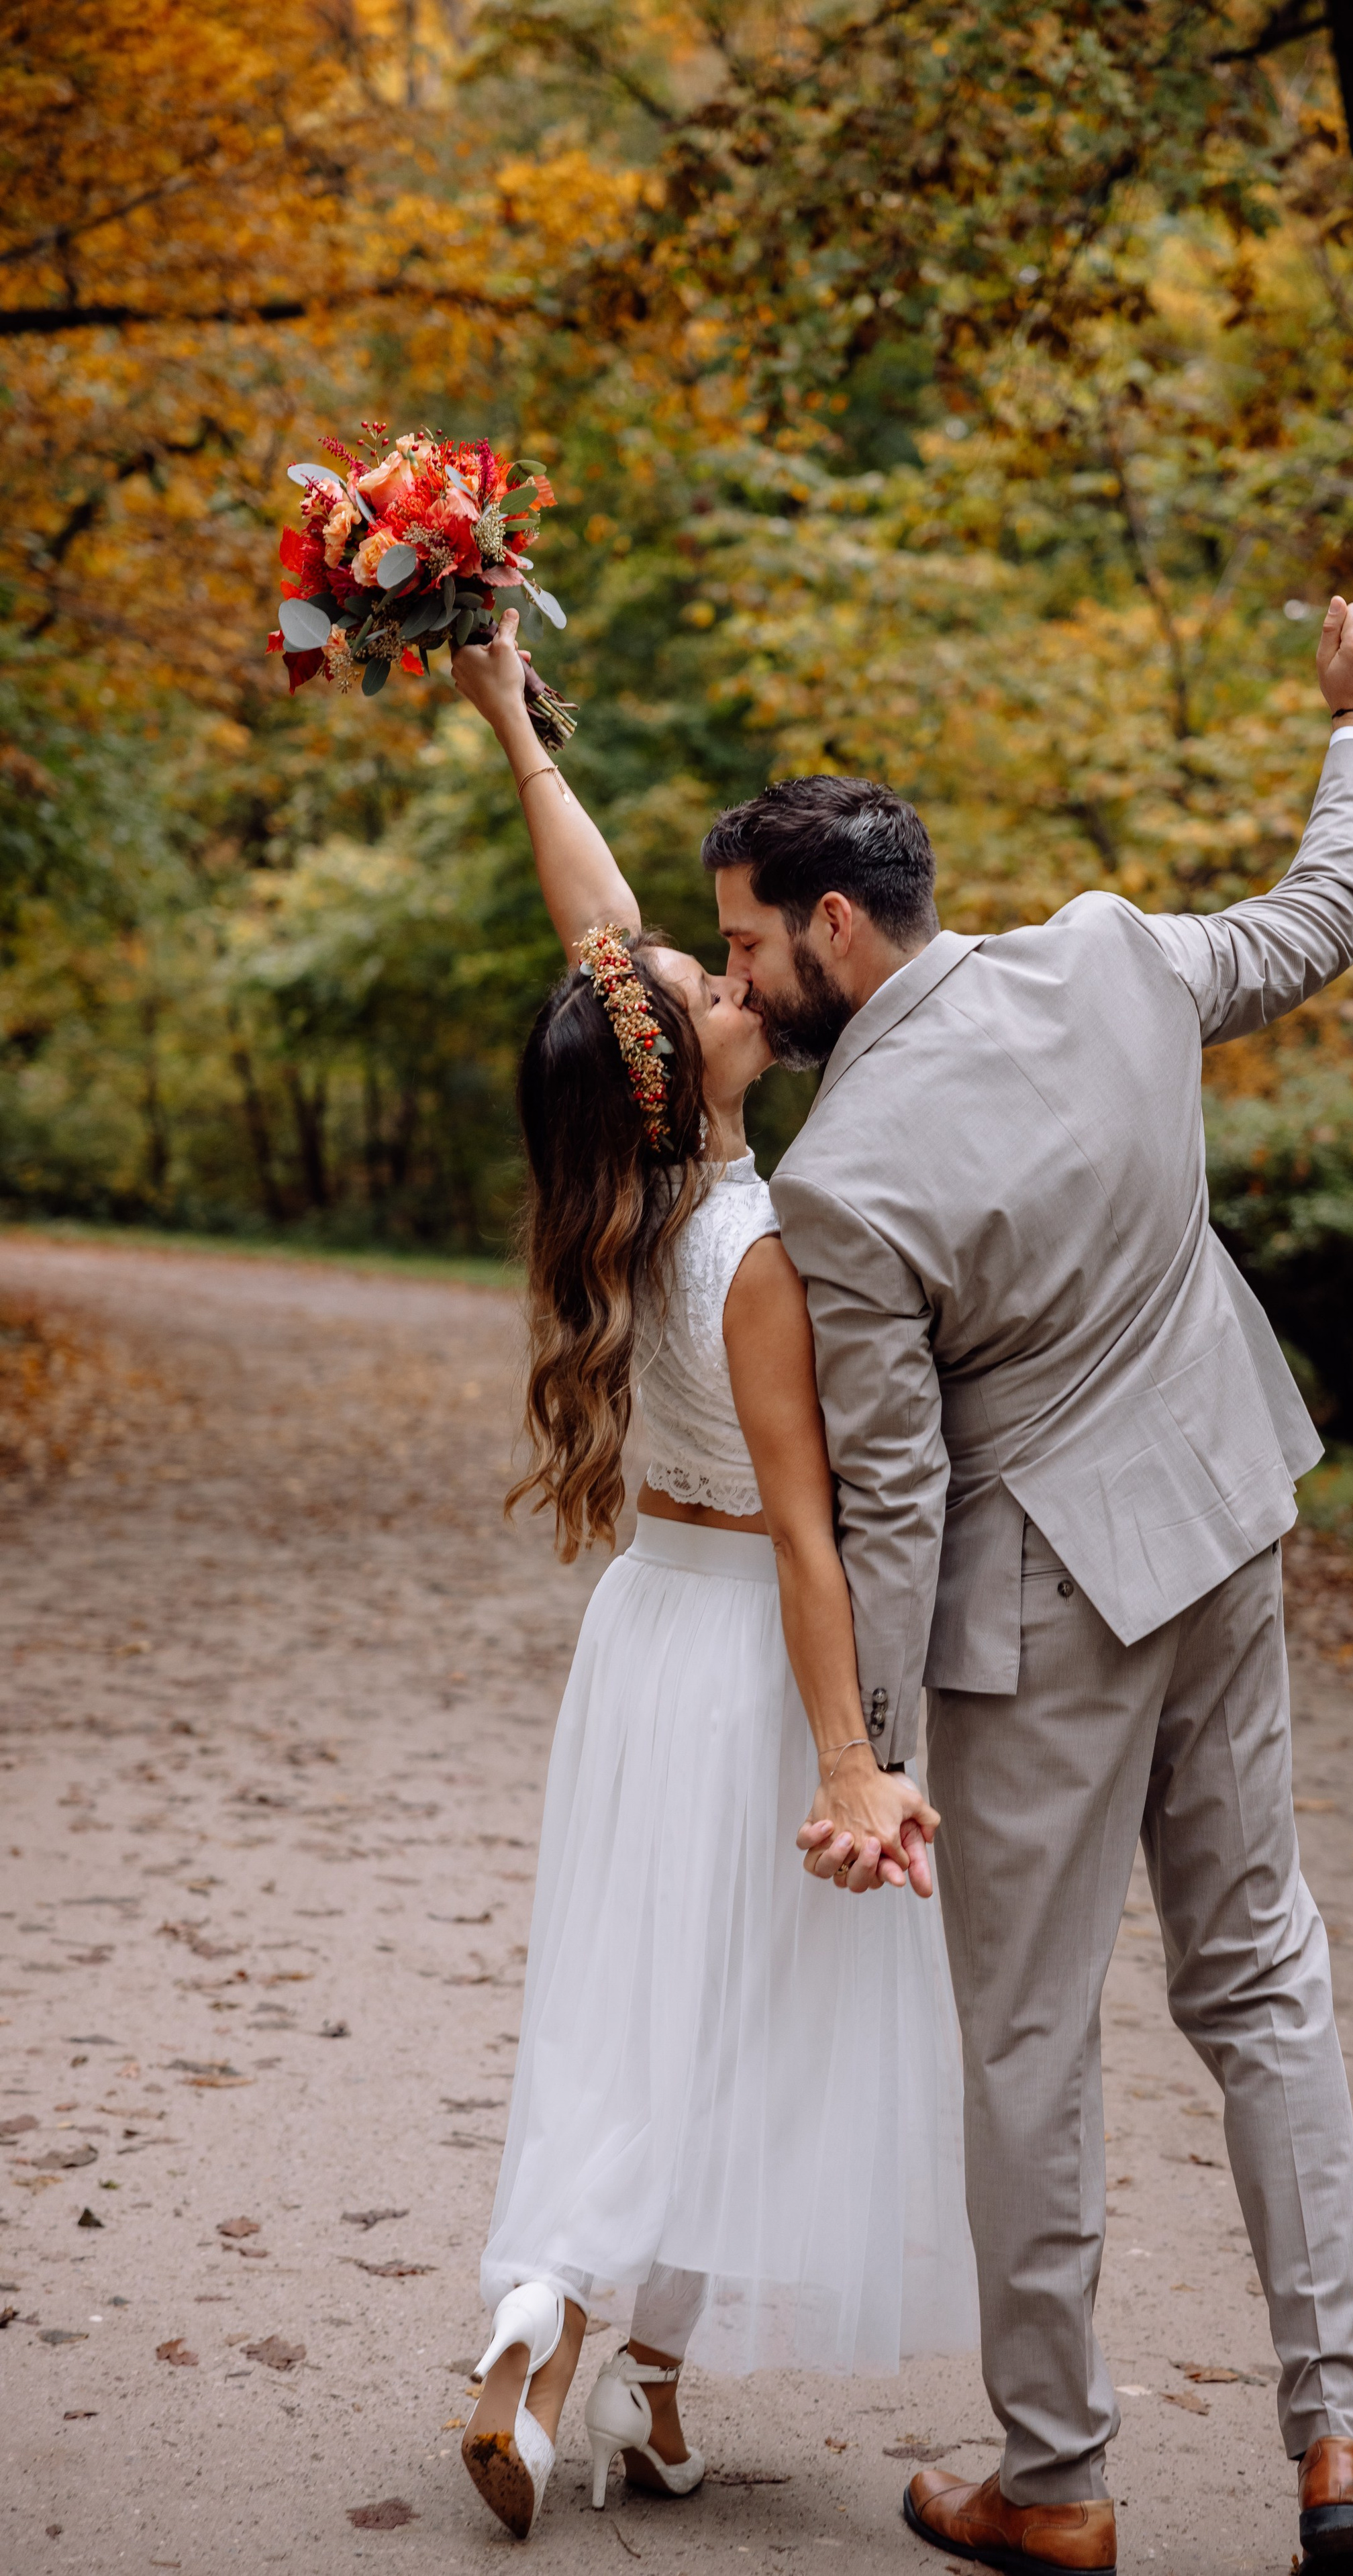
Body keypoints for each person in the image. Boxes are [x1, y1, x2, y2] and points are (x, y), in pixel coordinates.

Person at [703, 596, 1353, 2576]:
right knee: (1263, 1970)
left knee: (1029, 2038)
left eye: (754, 944)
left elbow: (902, 1494)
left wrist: (885, 1764)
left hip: (1048, 1612)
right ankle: (1342, 2450)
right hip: (1227, 1516)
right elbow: (1311, 925)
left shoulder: (842, 1181)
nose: (747, 983)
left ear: (839, 929)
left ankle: (1061, 2476)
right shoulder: (1109, 955)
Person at [447, 612, 976, 2546]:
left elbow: (604, 952)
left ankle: (616, 2373)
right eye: (714, 980)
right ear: (697, 1063)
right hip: (750, 1652)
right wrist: (851, 1763)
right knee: (724, 2023)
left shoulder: (630, 1170)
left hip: (640, 1637)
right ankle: (567, 2316)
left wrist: (515, 717)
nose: (728, 977)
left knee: (630, 2000)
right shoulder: (747, 1242)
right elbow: (809, 1529)